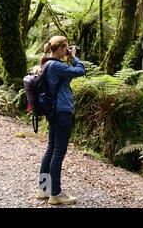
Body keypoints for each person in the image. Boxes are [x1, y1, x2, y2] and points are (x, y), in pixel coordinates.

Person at [36, 36, 85, 205]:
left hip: (53, 111)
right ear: (59, 49)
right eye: (65, 48)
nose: (67, 51)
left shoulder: (47, 64)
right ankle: (55, 193)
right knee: (58, 152)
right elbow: (80, 71)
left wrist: (69, 58)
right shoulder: (56, 65)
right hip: (62, 111)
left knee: (51, 149)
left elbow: (65, 79)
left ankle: (43, 189)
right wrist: (74, 57)